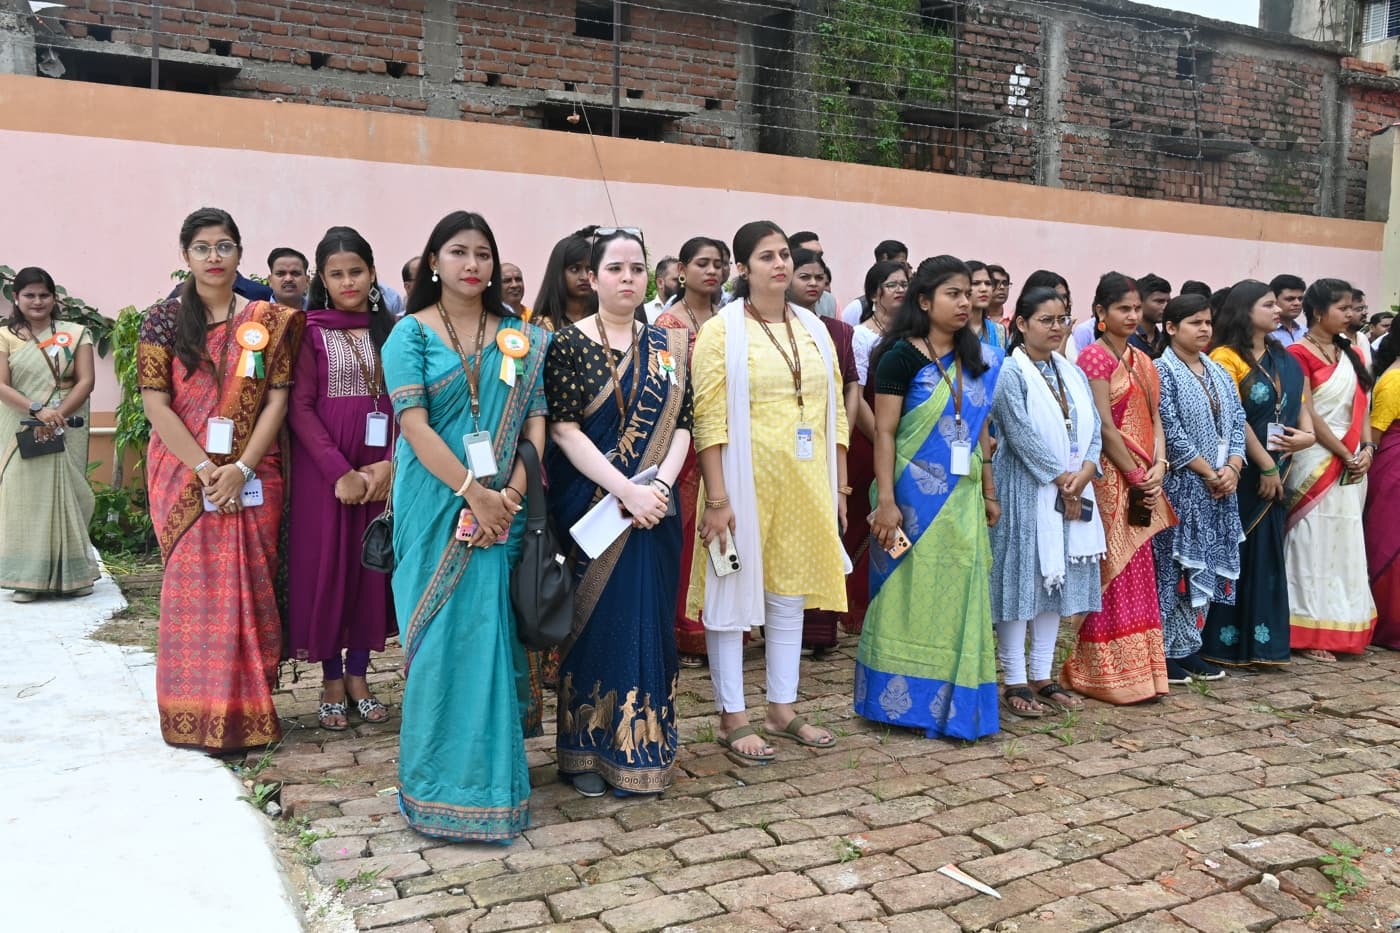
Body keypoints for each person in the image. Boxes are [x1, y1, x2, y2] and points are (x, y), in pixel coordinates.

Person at [382, 210, 548, 840]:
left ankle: (493, 790)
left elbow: (533, 425)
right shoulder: (411, 336)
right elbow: (415, 427)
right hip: (436, 506)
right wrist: (472, 492)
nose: (472, 265)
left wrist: (507, 494)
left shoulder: (519, 336)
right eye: (458, 252)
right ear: (433, 262)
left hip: (503, 510)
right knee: (442, 640)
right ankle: (435, 789)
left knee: (490, 637)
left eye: (483, 254)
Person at [139, 207, 304, 751]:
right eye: (203, 248)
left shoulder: (266, 318)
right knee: (193, 594)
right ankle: (191, 714)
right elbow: (156, 405)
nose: (214, 257)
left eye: (225, 246)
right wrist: (210, 469)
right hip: (184, 473)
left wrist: (241, 468)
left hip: (253, 474)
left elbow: (277, 397)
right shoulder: (163, 321)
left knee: (250, 586)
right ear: (184, 255)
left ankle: (248, 716)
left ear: (240, 252)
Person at [691, 220, 849, 762]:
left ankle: (782, 707)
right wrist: (717, 500)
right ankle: (730, 715)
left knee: (789, 596)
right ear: (742, 268)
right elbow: (708, 418)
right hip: (739, 485)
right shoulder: (722, 329)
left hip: (806, 483)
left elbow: (834, 414)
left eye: (785, 254)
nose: (780, 264)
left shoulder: (812, 326)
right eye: (766, 257)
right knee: (731, 597)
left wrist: (840, 486)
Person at [544, 229, 689, 797]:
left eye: (637, 268)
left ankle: (645, 749)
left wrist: (656, 490)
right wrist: (624, 491)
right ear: (593, 276)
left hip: (655, 509)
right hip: (595, 506)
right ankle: (584, 754)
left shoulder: (669, 347)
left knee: (649, 622)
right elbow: (564, 429)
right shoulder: (568, 344)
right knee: (597, 624)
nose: (627, 278)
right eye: (615, 268)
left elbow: (683, 425)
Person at [863, 255, 1003, 737]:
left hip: (961, 499)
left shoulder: (980, 356)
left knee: (960, 594)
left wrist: (988, 490)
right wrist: (886, 502)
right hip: (908, 498)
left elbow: (980, 431)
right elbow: (883, 433)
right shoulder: (899, 355)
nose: (965, 302)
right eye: (953, 293)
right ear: (925, 301)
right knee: (906, 596)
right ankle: (898, 704)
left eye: (968, 293)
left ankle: (955, 701)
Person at [286, 227, 396, 731]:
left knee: (372, 569)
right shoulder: (308, 330)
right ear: (322, 280)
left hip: (382, 469)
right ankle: (331, 677)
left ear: (372, 274)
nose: (348, 281)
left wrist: (390, 465)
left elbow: (408, 401)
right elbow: (300, 408)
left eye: (357, 271)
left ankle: (359, 674)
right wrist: (340, 471)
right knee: (328, 568)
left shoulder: (393, 330)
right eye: (337, 273)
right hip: (327, 474)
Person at [988, 287, 1101, 717]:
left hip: (1073, 488)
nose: (1056, 328)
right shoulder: (1009, 372)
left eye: (1063, 320)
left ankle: (1042, 674)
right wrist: (1058, 476)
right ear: (1021, 324)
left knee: (1058, 581)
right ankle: (1014, 678)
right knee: (1022, 581)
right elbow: (1017, 431)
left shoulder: (1069, 371)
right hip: (1025, 489)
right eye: (1046, 320)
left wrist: (1087, 470)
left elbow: (1092, 427)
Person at [1063, 272, 1173, 702]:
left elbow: (1156, 420)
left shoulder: (1144, 361)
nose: (1132, 316)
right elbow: (1103, 426)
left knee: (1139, 569)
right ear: (1101, 313)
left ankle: (1143, 672)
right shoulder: (1093, 359)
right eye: (1122, 309)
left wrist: (1160, 465)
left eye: (1135, 309)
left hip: (1146, 475)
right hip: (1109, 479)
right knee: (1111, 569)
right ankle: (1101, 672)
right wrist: (1134, 475)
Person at [1203, 280, 1313, 667]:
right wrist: (1264, 465)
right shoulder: (1224, 357)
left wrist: (1308, 437)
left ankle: (1263, 645)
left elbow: (1300, 406)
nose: (1277, 310)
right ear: (1245, 309)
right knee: (1237, 551)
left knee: (1267, 555)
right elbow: (1233, 417)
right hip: (1241, 470)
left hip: (1281, 464)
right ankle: (1223, 643)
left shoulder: (1284, 356)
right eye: (1268, 304)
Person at [1151, 295, 1246, 683]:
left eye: (1208, 322)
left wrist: (1234, 467)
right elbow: (1169, 430)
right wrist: (1209, 472)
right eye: (1194, 323)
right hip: (1182, 485)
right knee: (1175, 565)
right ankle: (1165, 650)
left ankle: (1190, 647)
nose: (1204, 329)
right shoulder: (1162, 370)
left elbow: (1237, 421)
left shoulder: (1219, 370)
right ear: (1171, 328)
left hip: (1221, 486)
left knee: (1205, 562)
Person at [1285, 278, 1377, 660]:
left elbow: (1363, 407)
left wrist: (1367, 448)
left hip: (1354, 460)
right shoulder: (1296, 353)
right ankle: (1306, 632)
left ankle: (1343, 625)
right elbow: (1310, 414)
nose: (1350, 315)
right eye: (1342, 308)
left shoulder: (1351, 351)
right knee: (1310, 542)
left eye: (1352, 308)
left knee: (1344, 542)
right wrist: (1344, 451)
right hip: (1317, 460)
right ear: (1319, 311)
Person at [0, 266, 98, 601]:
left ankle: (74, 574)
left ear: (54, 298)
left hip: (65, 424)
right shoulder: (5, 336)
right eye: (29, 294)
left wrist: (57, 415)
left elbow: (85, 381)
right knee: (23, 499)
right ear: (17, 298)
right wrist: (37, 410)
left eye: (44, 294)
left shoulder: (76, 332)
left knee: (73, 495)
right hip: (20, 428)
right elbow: (0, 385)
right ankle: (28, 579)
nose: (37, 301)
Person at [788, 247, 867, 651]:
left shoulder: (838, 331)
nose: (813, 283)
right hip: (787, 447)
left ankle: (820, 631)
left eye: (819, 277)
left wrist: (843, 430)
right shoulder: (772, 329)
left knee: (826, 531)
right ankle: (784, 628)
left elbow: (851, 384)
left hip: (828, 441)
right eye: (805, 276)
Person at [654, 236, 726, 668]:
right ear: (682, 270)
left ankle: (718, 619)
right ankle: (684, 627)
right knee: (687, 533)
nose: (712, 271)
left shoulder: (729, 320)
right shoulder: (668, 323)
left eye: (719, 264)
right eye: (702, 263)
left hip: (726, 437)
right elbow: (666, 386)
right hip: (685, 439)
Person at [1367, 330, 1400, 648]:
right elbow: (1375, 434)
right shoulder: (1394, 380)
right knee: (1391, 542)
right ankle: (1392, 622)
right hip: (1394, 467)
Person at [853, 261, 909, 385]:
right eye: (892, 285)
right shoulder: (861, 335)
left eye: (904, 284)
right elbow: (857, 393)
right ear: (873, 295)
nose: (900, 290)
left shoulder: (913, 329)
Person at [533, 233, 594, 331]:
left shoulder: (605, 318)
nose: (585, 277)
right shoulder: (544, 326)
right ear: (558, 273)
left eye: (589, 269)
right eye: (575, 269)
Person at [786, 230, 837, 318]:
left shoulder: (829, 301)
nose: (814, 259)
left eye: (819, 255)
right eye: (804, 277)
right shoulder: (773, 305)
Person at [966, 261, 1007, 349]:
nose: (984, 289)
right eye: (976, 283)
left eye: (988, 283)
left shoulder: (999, 331)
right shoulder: (951, 329)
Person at [1131, 274, 1171, 355]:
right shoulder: (1125, 339)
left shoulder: (1166, 341)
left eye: (1168, 301)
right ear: (1139, 302)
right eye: (1159, 301)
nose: (1166, 307)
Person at [1270, 274, 1307, 347]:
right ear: (1274, 300)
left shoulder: (1306, 332)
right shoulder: (1266, 334)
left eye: (1300, 299)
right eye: (1290, 299)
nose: (1297, 303)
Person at [643, 256, 680, 322]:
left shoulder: (690, 312)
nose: (681, 284)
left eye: (682, 279)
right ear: (660, 283)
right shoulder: (645, 312)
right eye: (676, 280)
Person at [1346, 289, 1372, 366]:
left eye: (1365, 308)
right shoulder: (1335, 341)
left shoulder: (1363, 338)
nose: (1365, 312)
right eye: (1359, 309)